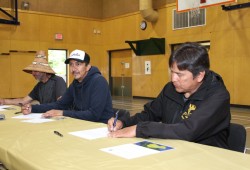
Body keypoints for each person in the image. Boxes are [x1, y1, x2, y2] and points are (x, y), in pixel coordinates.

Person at [107, 42, 231, 149]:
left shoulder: (218, 97)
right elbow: (150, 114)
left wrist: (140, 129)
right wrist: (124, 123)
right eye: (172, 72)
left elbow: (188, 131)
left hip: (205, 158)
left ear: (199, 75)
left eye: (180, 74)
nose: (173, 79)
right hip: (174, 150)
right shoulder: (170, 89)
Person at [21, 49, 113, 123]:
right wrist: (32, 108)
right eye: (71, 65)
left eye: (78, 64)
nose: (74, 68)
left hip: (100, 127)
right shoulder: (75, 83)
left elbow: (94, 115)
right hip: (83, 124)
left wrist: (63, 113)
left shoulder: (99, 81)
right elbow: (60, 104)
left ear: (88, 66)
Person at [0, 50, 66, 105]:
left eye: (36, 71)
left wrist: (37, 108)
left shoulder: (58, 81)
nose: (33, 73)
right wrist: (4, 101)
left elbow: (61, 104)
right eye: (32, 71)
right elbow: (24, 101)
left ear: (44, 71)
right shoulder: (39, 86)